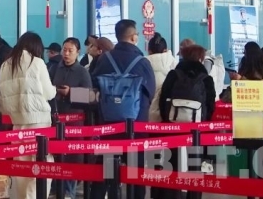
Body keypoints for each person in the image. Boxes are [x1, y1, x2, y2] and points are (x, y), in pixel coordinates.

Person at [90, 20, 155, 199]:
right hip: (136, 127)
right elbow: (150, 92)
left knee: (106, 170)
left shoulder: (104, 59)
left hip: (109, 126)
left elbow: (93, 89)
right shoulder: (142, 62)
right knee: (135, 173)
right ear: (134, 37)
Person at [0, 32, 56, 199]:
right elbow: (48, 92)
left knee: (21, 165)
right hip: (38, 123)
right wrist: (55, 89)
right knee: (41, 164)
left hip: (17, 123)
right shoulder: (36, 62)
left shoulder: (6, 64)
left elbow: (2, 95)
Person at [154, 44, 215, 199]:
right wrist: (203, 122)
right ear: (200, 59)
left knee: (171, 162)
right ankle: (194, 195)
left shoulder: (173, 75)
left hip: (173, 125)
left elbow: (163, 99)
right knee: (195, 164)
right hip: (197, 129)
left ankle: (170, 195)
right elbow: (210, 105)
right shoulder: (206, 79)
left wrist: (167, 120)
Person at [52, 37, 92, 199]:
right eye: (64, 50)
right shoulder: (54, 68)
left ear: (78, 52)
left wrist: (70, 93)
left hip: (75, 121)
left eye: (70, 51)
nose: (66, 54)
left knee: (72, 157)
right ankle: (55, 190)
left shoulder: (82, 72)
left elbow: (90, 96)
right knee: (56, 156)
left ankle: (69, 192)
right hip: (56, 120)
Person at [146, 33, 177, 122]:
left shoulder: (142, 66)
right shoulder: (175, 66)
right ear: (165, 50)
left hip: (145, 120)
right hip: (169, 117)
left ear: (149, 51)